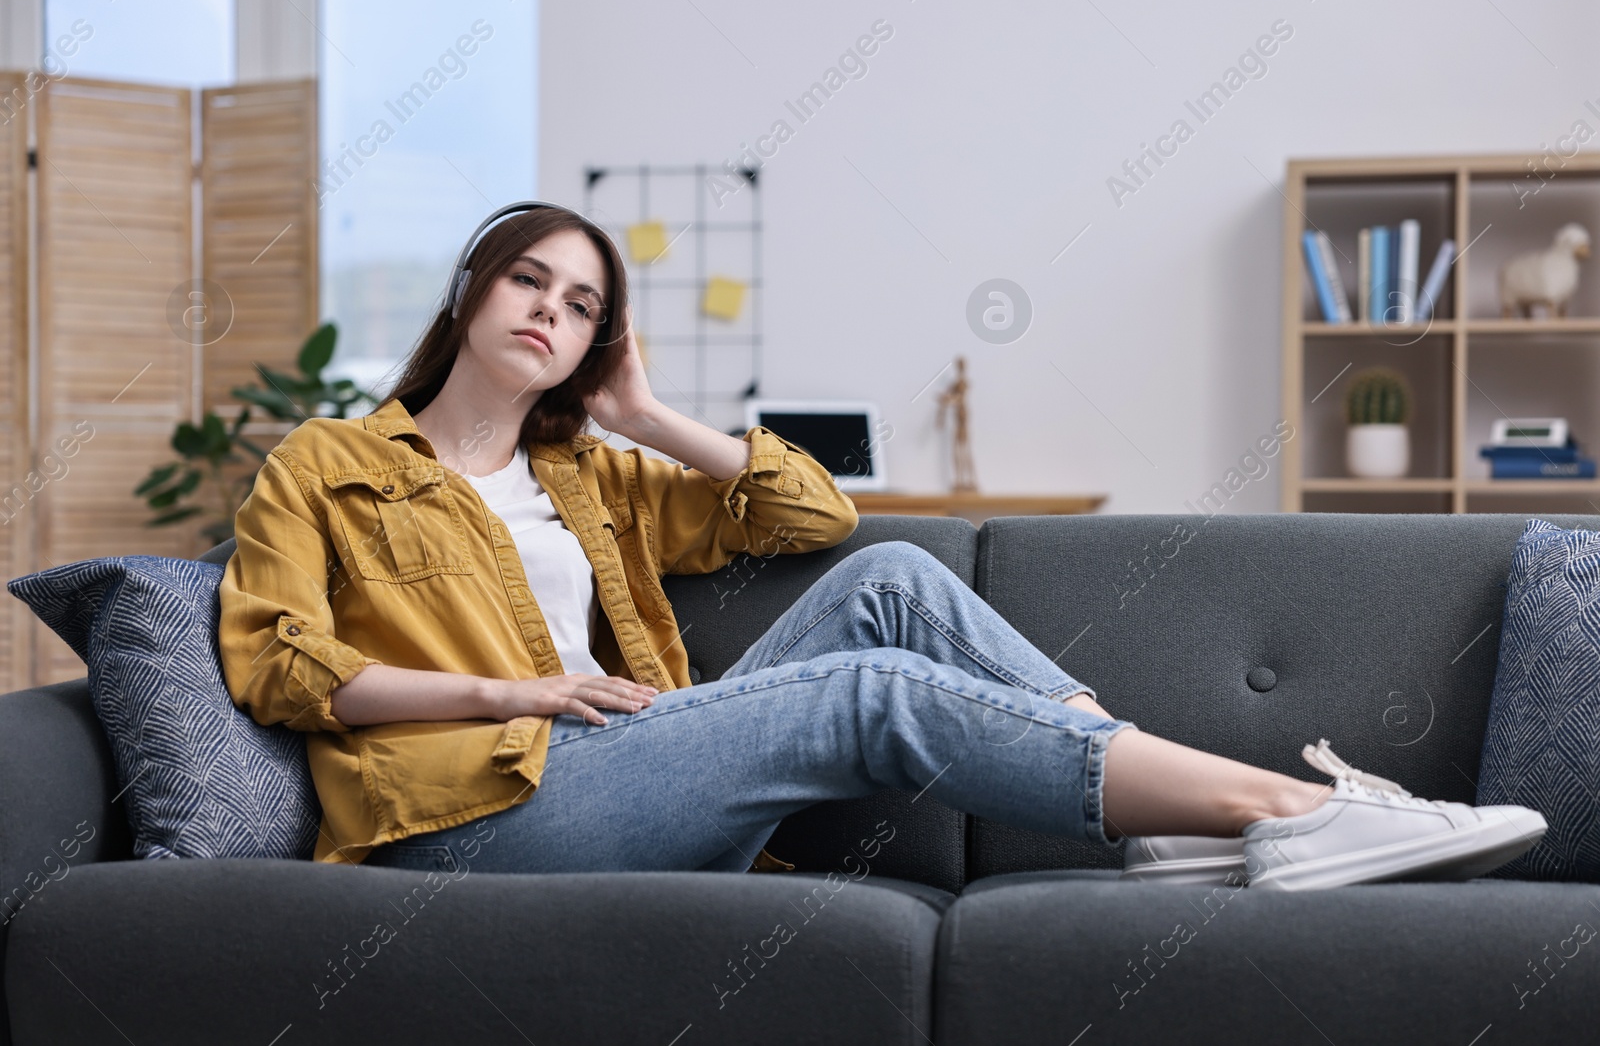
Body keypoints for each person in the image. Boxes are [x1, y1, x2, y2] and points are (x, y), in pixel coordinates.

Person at [218, 203, 1545, 892]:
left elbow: (815, 516)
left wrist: (645, 413)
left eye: (582, 307)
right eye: (530, 283)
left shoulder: (592, 473)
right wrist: (519, 689)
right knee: (875, 695)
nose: (551, 315)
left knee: (897, 582)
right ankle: (1302, 811)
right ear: (470, 289)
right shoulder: (328, 465)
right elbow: (281, 667)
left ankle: (1158, 821)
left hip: (625, 774)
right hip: (469, 819)